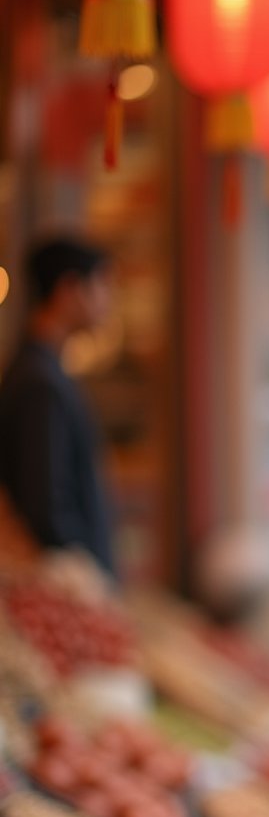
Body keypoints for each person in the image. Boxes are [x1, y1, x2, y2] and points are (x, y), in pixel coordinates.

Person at [0, 236, 115, 574]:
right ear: (69, 289)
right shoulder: (40, 381)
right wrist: (84, 569)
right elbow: (46, 503)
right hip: (65, 577)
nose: (108, 301)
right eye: (102, 286)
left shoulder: (40, 370)